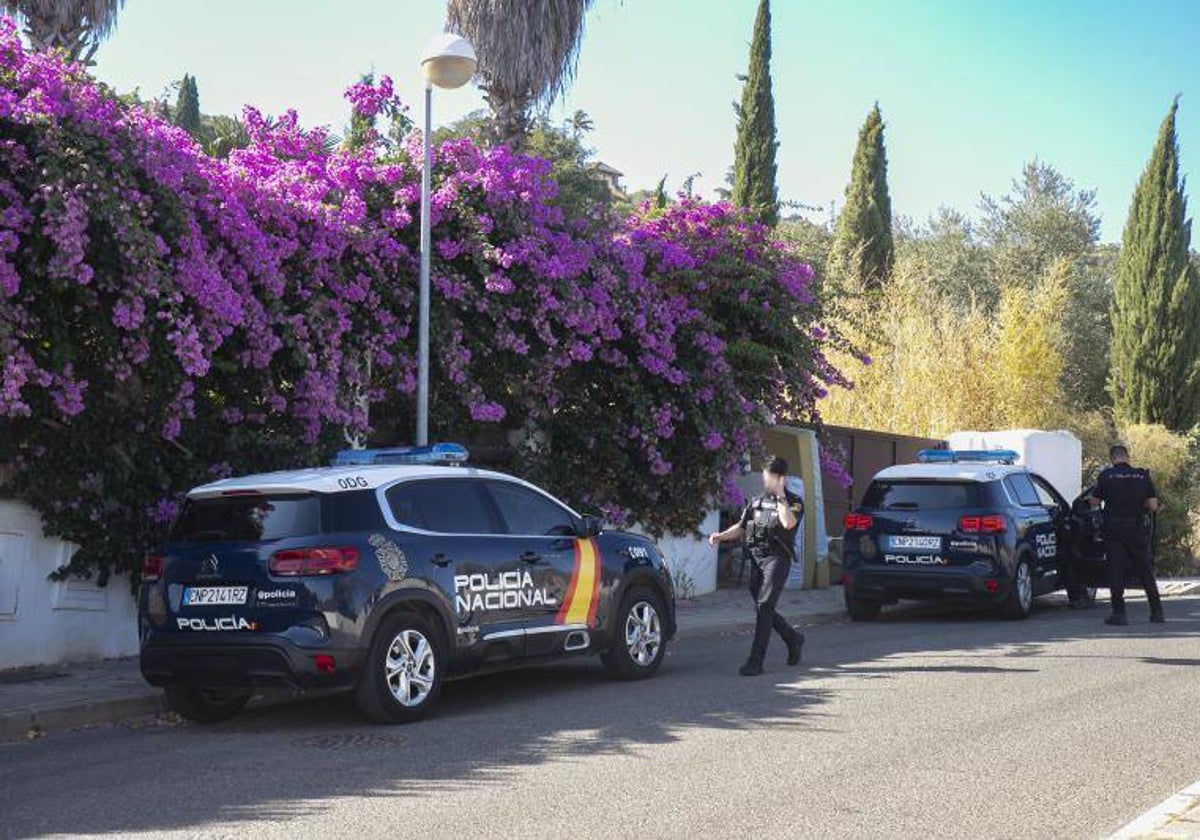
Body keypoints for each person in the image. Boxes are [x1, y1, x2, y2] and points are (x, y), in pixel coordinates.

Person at [709, 455, 806, 676]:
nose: (766, 481)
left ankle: (756, 661)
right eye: (765, 477)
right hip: (757, 560)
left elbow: (788, 523)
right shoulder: (757, 501)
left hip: (778, 560)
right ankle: (793, 638)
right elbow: (742, 526)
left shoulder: (794, 502)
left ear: (781, 478)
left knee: (764, 606)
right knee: (765, 607)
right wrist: (721, 536)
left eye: (770, 477)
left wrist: (781, 495)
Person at [1086, 444, 1164, 626]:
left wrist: (1089, 500)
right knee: (1145, 570)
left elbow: (1096, 501)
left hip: (1114, 529)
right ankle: (1157, 612)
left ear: (1112, 459)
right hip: (1136, 529)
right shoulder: (1142, 475)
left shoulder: (1106, 476)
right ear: (1127, 457)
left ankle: (1119, 614)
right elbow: (1153, 505)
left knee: (1116, 570)